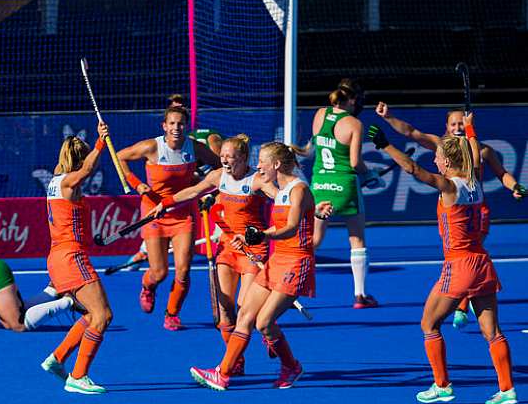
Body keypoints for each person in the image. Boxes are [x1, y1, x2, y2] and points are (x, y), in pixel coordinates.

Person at [368, 117, 516, 404]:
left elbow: (413, 169)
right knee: (493, 332)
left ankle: (442, 385)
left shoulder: (449, 187)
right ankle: (507, 390)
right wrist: (471, 128)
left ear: (447, 162)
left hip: (458, 265)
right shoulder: (475, 180)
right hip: (482, 264)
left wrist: (386, 146)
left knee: (429, 324)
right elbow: (473, 149)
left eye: (437, 157)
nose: (434, 160)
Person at [188, 142, 333, 391]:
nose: (258, 166)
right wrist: (249, 237)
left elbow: (290, 228)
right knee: (245, 314)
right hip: (277, 261)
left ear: (276, 165)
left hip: (296, 262)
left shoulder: (298, 190)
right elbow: (279, 226)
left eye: (262, 161)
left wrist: (263, 236)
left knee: (264, 322)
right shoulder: (284, 190)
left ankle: (291, 366)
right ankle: (222, 374)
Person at [375, 102, 526, 328]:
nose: (458, 127)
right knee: (469, 257)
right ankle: (468, 299)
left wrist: (514, 186)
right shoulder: (441, 145)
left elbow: (502, 174)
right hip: (456, 207)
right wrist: (389, 118)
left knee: (467, 255)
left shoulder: (482, 150)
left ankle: (463, 304)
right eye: (453, 124)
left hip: (476, 211)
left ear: (467, 125)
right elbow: (411, 132)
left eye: (461, 123)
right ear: (446, 127)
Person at [149, 134, 269, 375]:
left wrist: (310, 206)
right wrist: (166, 203)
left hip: (252, 250)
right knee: (225, 311)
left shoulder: (256, 180)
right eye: (222, 156)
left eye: (230, 156)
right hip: (227, 248)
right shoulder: (218, 177)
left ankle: (270, 332)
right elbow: (193, 191)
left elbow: (285, 198)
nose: (224, 160)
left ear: (244, 158)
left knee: (246, 308)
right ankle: (236, 362)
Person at [117, 103, 220, 330]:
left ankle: (172, 313)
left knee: (183, 269)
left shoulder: (196, 148)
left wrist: (203, 184)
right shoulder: (151, 147)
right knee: (160, 272)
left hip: (183, 214)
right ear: (164, 126)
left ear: (187, 126)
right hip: (154, 214)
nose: (176, 127)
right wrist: (137, 184)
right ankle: (147, 285)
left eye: (180, 123)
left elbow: (220, 167)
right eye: (172, 123)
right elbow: (120, 157)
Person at [39, 122, 112, 394]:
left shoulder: (58, 183)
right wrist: (100, 143)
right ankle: (78, 376)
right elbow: (87, 170)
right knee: (103, 315)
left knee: (91, 314)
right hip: (70, 258)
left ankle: (57, 358)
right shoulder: (69, 181)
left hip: (63, 256)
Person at [306, 79, 382, 308]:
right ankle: (360, 295)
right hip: (344, 186)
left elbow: (316, 148)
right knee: (357, 239)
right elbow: (355, 162)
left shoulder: (319, 114)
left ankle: (286, 285)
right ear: (351, 100)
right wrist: (371, 175)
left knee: (314, 240)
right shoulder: (354, 124)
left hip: (319, 183)